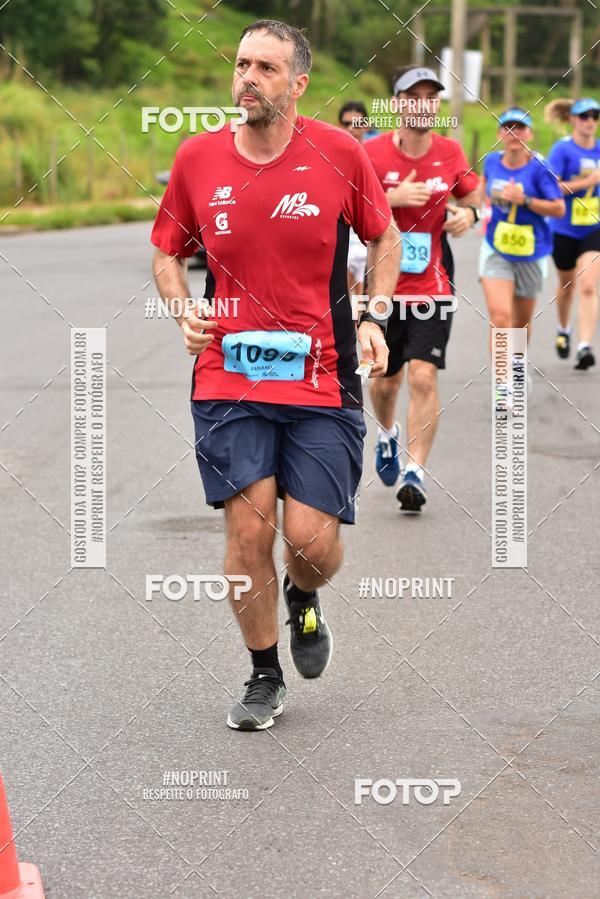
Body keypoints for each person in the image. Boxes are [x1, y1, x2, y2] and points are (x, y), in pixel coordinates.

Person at [151, 20, 400, 731]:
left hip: (322, 375)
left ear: (299, 84)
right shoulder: (197, 158)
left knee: (311, 542)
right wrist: (179, 311)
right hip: (228, 375)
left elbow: (386, 235)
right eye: (241, 64)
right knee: (248, 527)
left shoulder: (340, 152)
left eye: (265, 67)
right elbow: (168, 251)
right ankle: (264, 672)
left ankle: (304, 594)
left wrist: (375, 314)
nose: (247, 78)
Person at [364, 65, 480, 511]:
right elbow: (347, 207)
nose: (423, 104)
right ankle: (387, 431)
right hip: (382, 288)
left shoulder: (450, 152)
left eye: (431, 97)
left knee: (423, 375)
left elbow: (473, 197)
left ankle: (416, 469)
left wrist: (468, 215)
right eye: (414, 96)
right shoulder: (371, 153)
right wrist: (390, 200)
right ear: (397, 105)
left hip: (432, 286)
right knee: (386, 383)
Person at [480, 109, 565, 373]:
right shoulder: (492, 162)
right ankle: (504, 382)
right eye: (508, 128)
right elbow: (482, 190)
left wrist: (525, 200)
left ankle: (518, 368)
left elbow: (559, 208)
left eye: (520, 128)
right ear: (499, 134)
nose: (514, 133)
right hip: (497, 248)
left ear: (529, 133)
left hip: (532, 251)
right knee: (500, 318)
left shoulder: (541, 168)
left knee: (520, 323)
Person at [546, 98, 600, 370]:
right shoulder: (563, 150)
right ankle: (563, 329)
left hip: (594, 227)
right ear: (573, 119)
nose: (590, 121)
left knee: (588, 284)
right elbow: (551, 189)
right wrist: (586, 183)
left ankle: (584, 346)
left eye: (594, 115)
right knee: (567, 285)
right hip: (564, 228)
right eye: (584, 116)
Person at [338, 101, 369, 295]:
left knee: (364, 304)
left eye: (356, 124)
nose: (352, 128)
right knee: (345, 302)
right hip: (345, 238)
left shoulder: (376, 155)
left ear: (366, 125)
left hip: (369, 239)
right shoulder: (331, 157)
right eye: (346, 123)